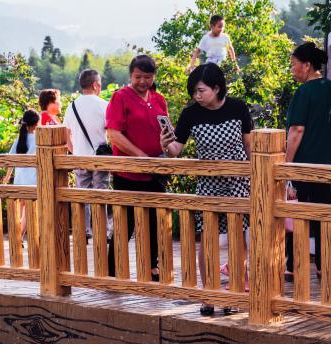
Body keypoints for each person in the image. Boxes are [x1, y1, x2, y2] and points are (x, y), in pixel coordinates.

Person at [161, 63, 253, 316]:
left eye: (201, 91)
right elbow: (176, 150)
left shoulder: (237, 107)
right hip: (209, 184)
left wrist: (254, 176)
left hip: (237, 182)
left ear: (217, 88)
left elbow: (249, 146)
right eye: (194, 92)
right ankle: (208, 294)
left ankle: (234, 294)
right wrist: (165, 143)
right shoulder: (191, 113)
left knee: (237, 238)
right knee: (208, 238)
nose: (196, 96)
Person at [106, 55, 169, 281]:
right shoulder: (120, 97)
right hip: (128, 173)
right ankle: (113, 269)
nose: (142, 81)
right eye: (138, 77)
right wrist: (140, 155)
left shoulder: (158, 99)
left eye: (147, 77)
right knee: (125, 223)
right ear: (130, 75)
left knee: (154, 221)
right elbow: (114, 133)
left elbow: (166, 129)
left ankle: (152, 266)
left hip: (155, 171)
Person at [285, 42, 331, 277]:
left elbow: (296, 130)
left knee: (298, 214)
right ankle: (323, 265)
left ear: (307, 65)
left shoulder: (304, 92)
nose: (292, 69)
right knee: (324, 216)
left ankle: (293, 266)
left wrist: (286, 164)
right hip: (329, 165)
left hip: (304, 164)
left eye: (294, 65)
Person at [64, 69, 111, 239]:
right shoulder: (104, 105)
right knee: (101, 194)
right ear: (95, 85)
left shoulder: (71, 107)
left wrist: (75, 150)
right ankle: (103, 231)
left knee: (82, 195)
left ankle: (83, 232)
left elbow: (66, 135)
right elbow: (112, 133)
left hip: (79, 158)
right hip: (100, 158)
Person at [5, 109, 40, 237]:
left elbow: (10, 161)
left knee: (20, 209)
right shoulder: (39, 139)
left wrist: (7, 178)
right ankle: (18, 235)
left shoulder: (19, 139)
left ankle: (17, 234)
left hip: (19, 179)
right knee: (28, 210)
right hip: (33, 179)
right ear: (37, 123)